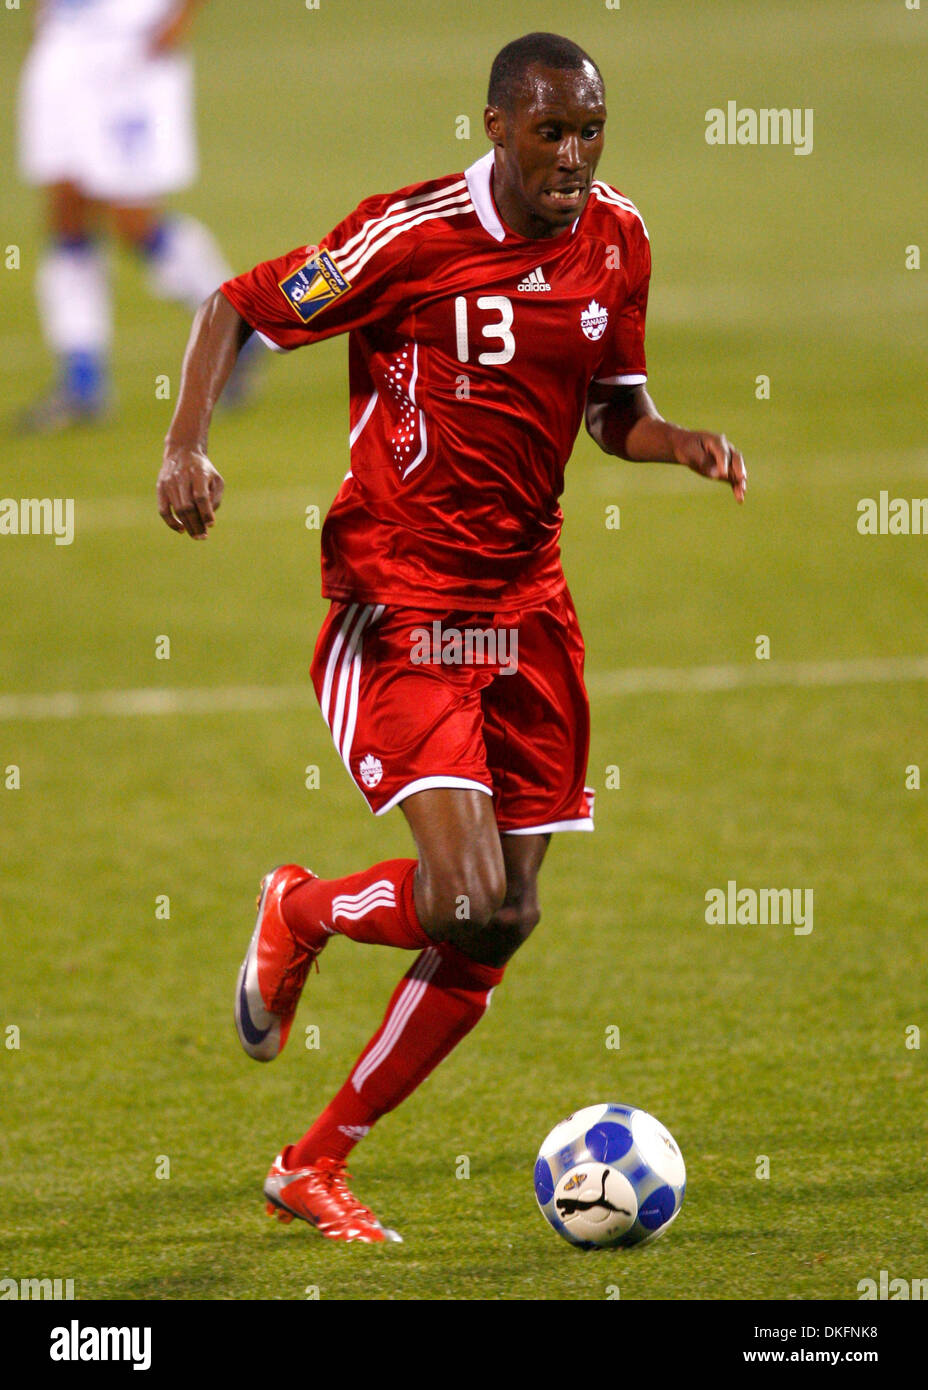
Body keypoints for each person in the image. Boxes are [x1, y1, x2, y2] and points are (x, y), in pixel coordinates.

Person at [157, 32, 746, 1244]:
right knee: (467, 893)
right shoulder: (408, 236)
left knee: (505, 917)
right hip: (404, 600)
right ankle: (304, 912)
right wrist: (184, 443)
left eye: (590, 131)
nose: (573, 156)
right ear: (492, 127)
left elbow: (611, 409)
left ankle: (309, 1162)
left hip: (530, 607)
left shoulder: (619, 239)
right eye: (550, 133)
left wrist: (673, 438)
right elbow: (238, 303)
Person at [16, 0, 251, 431]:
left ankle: (234, 326)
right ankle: (82, 381)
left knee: (133, 221)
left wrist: (180, 16)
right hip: (61, 49)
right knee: (66, 214)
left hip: (133, 51)